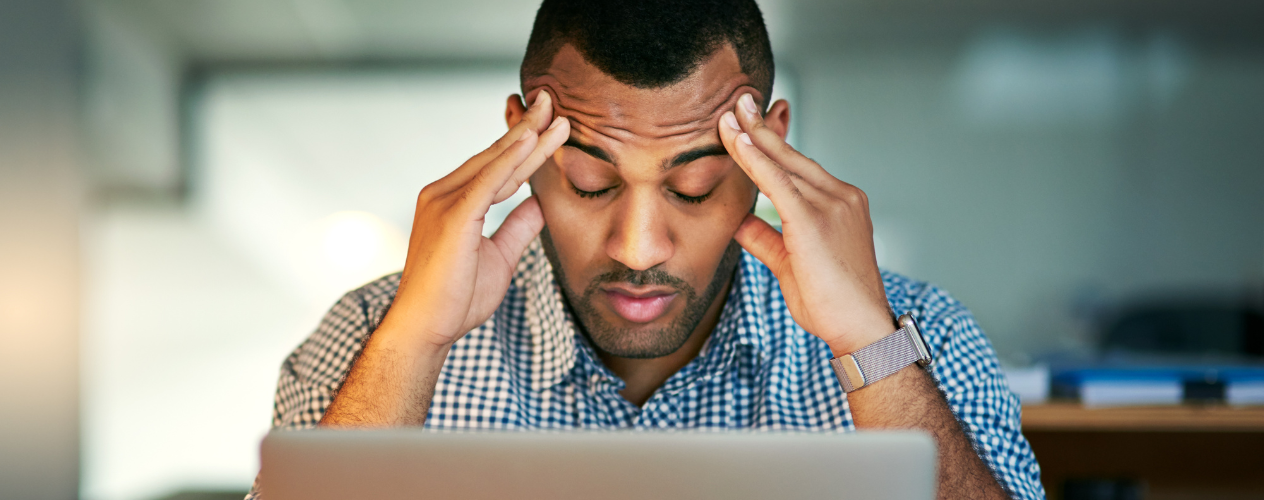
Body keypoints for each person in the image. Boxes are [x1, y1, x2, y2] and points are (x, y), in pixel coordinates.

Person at [247, 1, 1044, 499]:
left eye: (693, 187)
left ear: (771, 150)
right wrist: (412, 346)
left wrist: (869, 345)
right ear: (520, 143)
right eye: (591, 181)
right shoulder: (368, 336)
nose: (638, 247)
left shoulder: (919, 336)